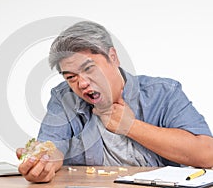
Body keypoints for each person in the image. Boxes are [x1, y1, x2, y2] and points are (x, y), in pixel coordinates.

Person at [16, 21, 213, 183]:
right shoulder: (63, 98)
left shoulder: (163, 93)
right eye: (71, 77)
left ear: (113, 57)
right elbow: (52, 145)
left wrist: (130, 126)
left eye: (89, 69)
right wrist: (43, 162)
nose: (82, 83)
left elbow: (207, 154)